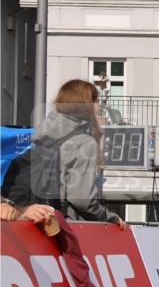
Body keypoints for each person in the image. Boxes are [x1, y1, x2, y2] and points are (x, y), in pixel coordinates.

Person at [26, 79, 126, 228]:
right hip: (69, 228)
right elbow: (82, 200)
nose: (100, 106)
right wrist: (111, 218)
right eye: (96, 101)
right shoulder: (83, 142)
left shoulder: (43, 135)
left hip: (36, 222)